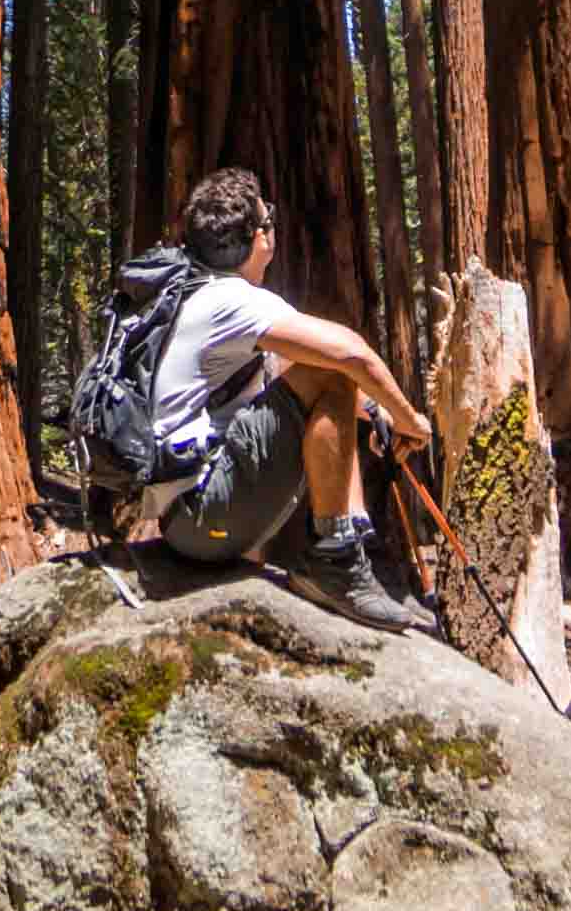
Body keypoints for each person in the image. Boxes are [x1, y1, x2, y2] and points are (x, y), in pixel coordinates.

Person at [135, 167, 442, 637]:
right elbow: (350, 352)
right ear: (257, 239)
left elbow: (286, 374)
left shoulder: (190, 293)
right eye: (268, 221)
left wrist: (373, 411)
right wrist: (410, 421)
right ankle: (335, 560)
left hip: (185, 518)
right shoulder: (231, 300)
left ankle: (347, 551)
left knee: (337, 383)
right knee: (336, 374)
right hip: (207, 514)